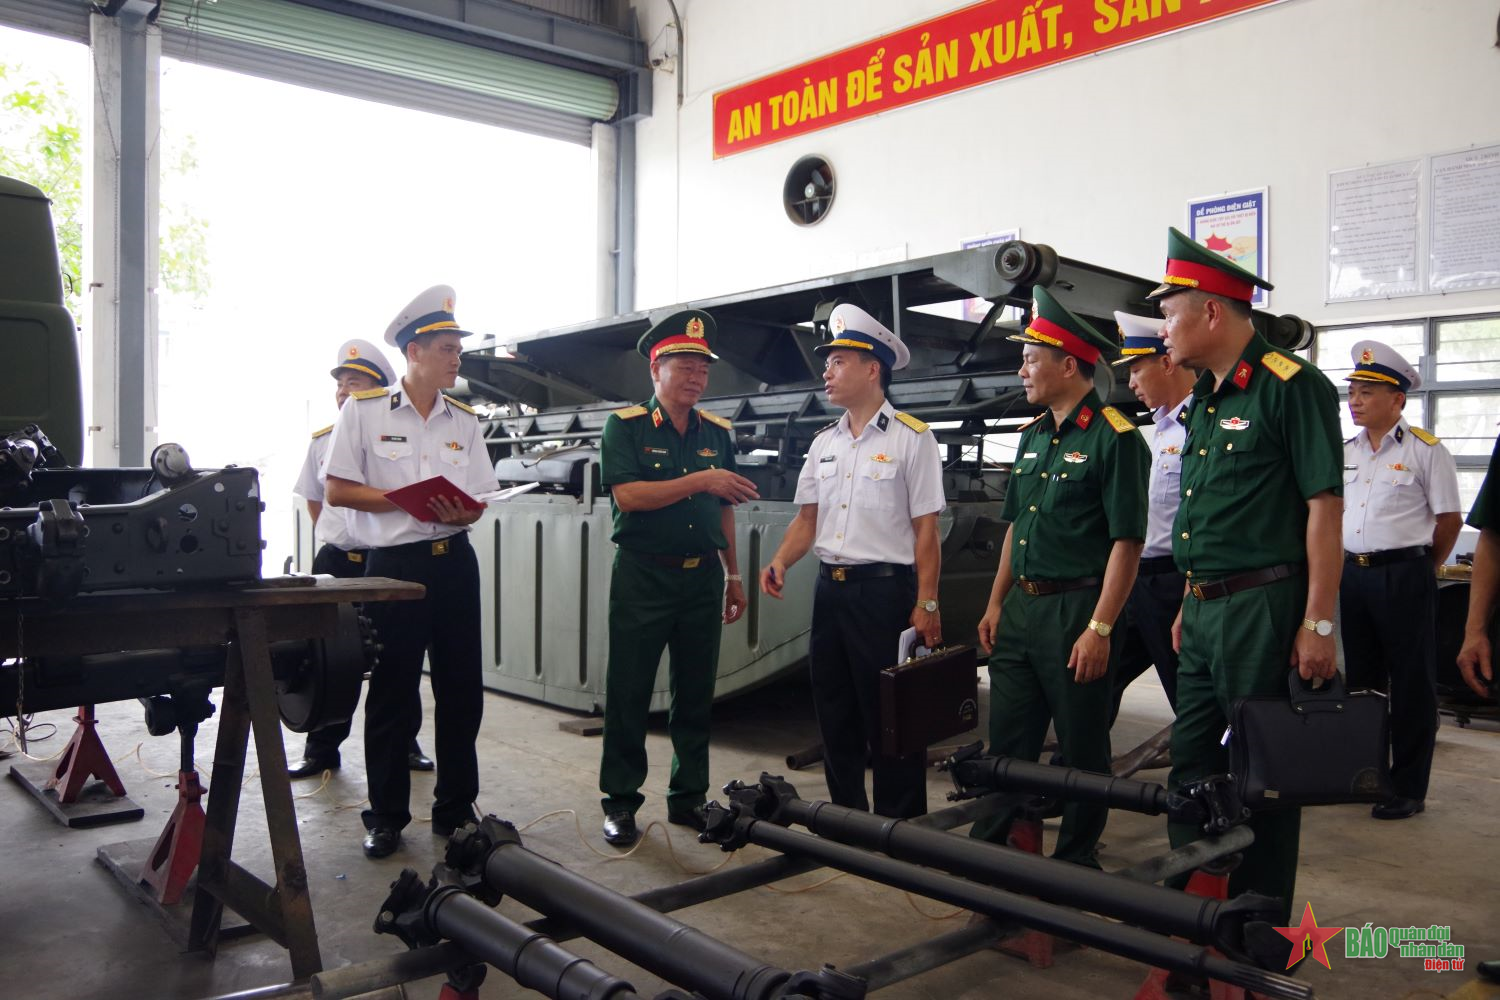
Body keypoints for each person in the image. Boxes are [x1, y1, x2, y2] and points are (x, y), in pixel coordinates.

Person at [1152, 227, 1342, 922]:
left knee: (1263, 777)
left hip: (1264, 607)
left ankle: (1257, 928)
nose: (1163, 329)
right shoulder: (1204, 398)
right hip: (1202, 610)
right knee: (1191, 767)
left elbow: (1324, 509)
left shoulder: (1293, 388)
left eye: (1170, 313)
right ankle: (1190, 910)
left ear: (1210, 312)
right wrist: (1187, 597)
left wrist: (1318, 622)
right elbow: (1209, 513)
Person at [968, 287, 1149, 865]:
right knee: (1008, 746)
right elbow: (1017, 530)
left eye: (1031, 358)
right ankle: (988, 860)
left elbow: (1128, 541)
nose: (1022, 369)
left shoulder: (1116, 438)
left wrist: (1100, 627)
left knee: (1082, 749)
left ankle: (1075, 863)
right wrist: (996, 604)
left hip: (1076, 612)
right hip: (1021, 611)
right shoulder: (1032, 437)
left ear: (1069, 365)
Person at [324, 285, 499, 859]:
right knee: (393, 693)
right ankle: (387, 816)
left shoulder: (465, 421)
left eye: (457, 348)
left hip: (454, 564)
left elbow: (479, 498)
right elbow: (339, 488)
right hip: (393, 569)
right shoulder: (364, 412)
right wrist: (403, 499)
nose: (456, 358)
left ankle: (455, 808)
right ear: (415, 351)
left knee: (461, 690)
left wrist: (464, 510)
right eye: (447, 347)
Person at [761, 303, 945, 819]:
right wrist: (780, 561)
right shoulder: (824, 443)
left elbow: (925, 531)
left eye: (838, 361)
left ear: (872, 369)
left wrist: (927, 601)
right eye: (829, 362)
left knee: (890, 714)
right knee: (834, 710)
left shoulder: (913, 438)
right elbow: (807, 520)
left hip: (885, 594)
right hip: (831, 592)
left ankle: (899, 824)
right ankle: (846, 818)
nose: (827, 371)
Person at [596, 309, 754, 847]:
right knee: (630, 692)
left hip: (700, 581)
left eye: (702, 368)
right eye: (683, 365)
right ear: (655, 371)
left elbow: (726, 507)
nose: (695, 377)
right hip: (643, 577)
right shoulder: (627, 426)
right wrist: (700, 479)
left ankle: (688, 798)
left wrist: (733, 573)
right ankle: (620, 802)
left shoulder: (716, 433)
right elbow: (629, 496)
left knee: (694, 695)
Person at [288, 338, 433, 779]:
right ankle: (321, 749)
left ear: (378, 391)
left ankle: (403, 740)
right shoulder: (321, 442)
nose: (344, 391)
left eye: (356, 383)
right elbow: (316, 500)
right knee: (325, 658)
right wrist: (340, 536)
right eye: (341, 384)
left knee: (395, 656)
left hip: (382, 560)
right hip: (335, 562)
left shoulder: (394, 434)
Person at [1340, 341, 1461, 820]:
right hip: (1353, 574)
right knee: (1363, 685)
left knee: (1411, 685)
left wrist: (1424, 566)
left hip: (1405, 575)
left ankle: (1409, 787)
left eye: (1367, 392)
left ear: (1398, 400)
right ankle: (1367, 776)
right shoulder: (1344, 451)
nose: (1355, 401)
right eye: (1352, 392)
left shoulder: (1426, 451)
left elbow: (1448, 520)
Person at [1107, 312, 1194, 726]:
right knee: (1097, 675)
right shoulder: (1158, 430)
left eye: (1137, 369)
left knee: (1188, 695)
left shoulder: (1200, 427)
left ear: (1167, 362)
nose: (1131, 384)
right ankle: (1077, 772)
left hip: (1176, 583)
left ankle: (1218, 782)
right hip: (1138, 581)